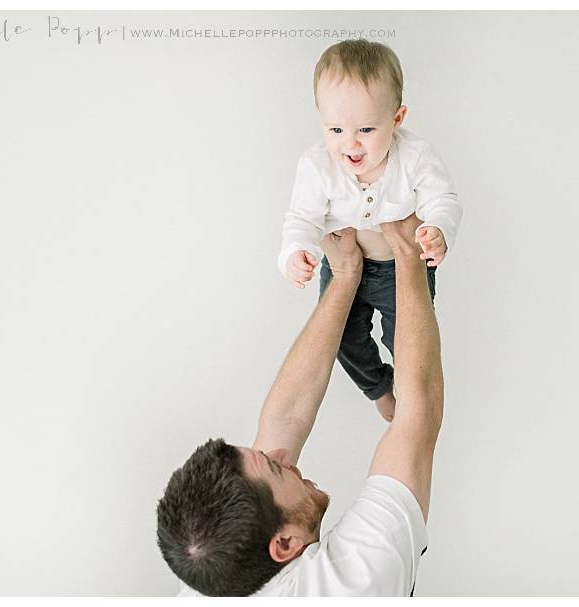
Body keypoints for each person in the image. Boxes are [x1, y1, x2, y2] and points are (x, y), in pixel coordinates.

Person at [157, 212, 444, 596]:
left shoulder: (210, 565)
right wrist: (406, 251)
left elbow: (286, 417)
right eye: (277, 468)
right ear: (285, 544)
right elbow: (416, 414)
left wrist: (344, 274)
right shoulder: (353, 582)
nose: (279, 452)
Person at [277, 38, 463, 423]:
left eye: (365, 128)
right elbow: (301, 217)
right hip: (344, 269)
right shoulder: (317, 165)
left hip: (399, 269)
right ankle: (379, 388)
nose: (351, 143)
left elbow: (442, 198)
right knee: (342, 341)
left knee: (409, 341)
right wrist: (295, 251)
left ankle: (413, 399)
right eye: (335, 129)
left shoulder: (415, 156)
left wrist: (437, 228)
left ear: (396, 120)